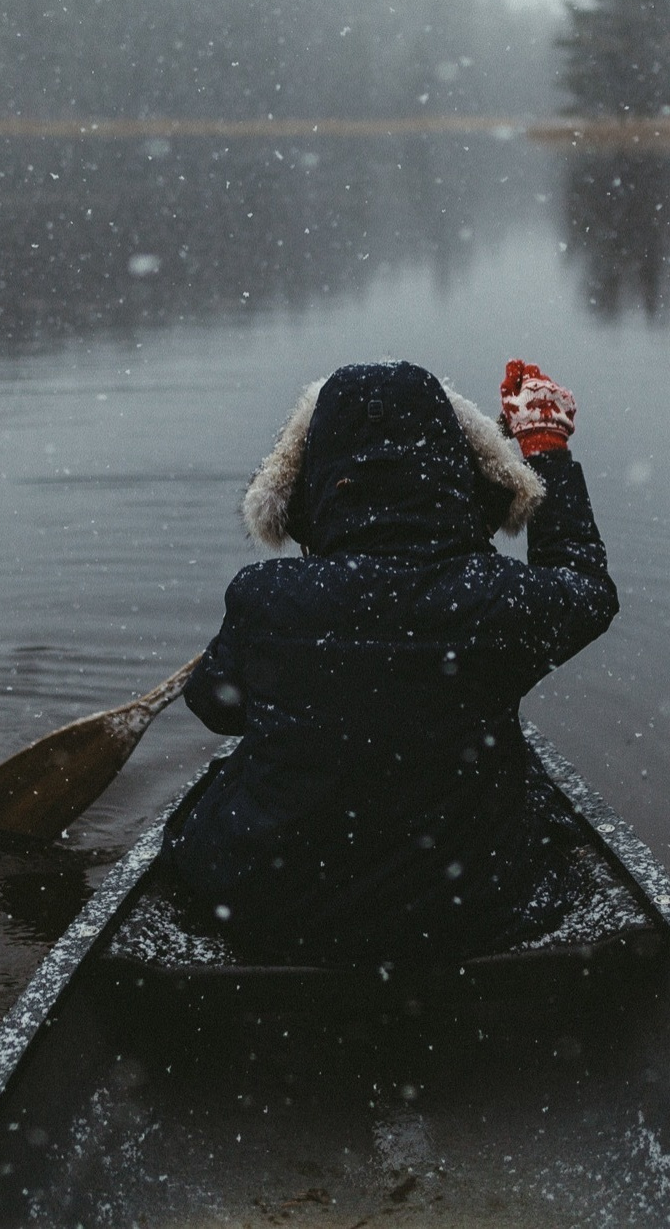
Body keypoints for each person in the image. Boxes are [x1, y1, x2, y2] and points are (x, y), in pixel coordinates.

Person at [163, 358, 618, 964]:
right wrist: (546, 450)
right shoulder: (499, 599)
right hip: (475, 914)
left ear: (313, 479)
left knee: (211, 810)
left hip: (275, 912)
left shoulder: (264, 598)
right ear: (459, 472)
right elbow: (585, 587)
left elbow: (216, 708)